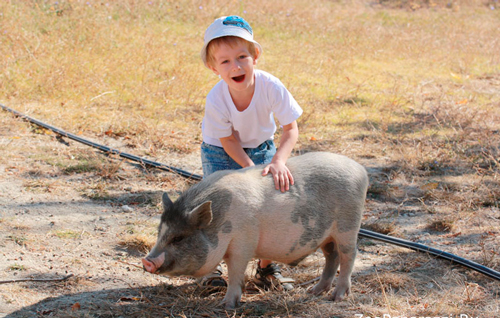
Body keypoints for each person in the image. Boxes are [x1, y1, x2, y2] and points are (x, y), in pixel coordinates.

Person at [199, 16, 302, 291]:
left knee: (272, 205)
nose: (236, 66)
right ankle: (211, 270)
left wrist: (278, 161)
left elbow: (291, 129)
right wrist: (249, 170)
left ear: (255, 56)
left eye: (242, 56)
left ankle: (266, 270)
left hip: (262, 147)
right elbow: (228, 139)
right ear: (213, 68)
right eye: (225, 61)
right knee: (218, 208)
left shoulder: (271, 87)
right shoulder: (217, 98)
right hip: (220, 150)